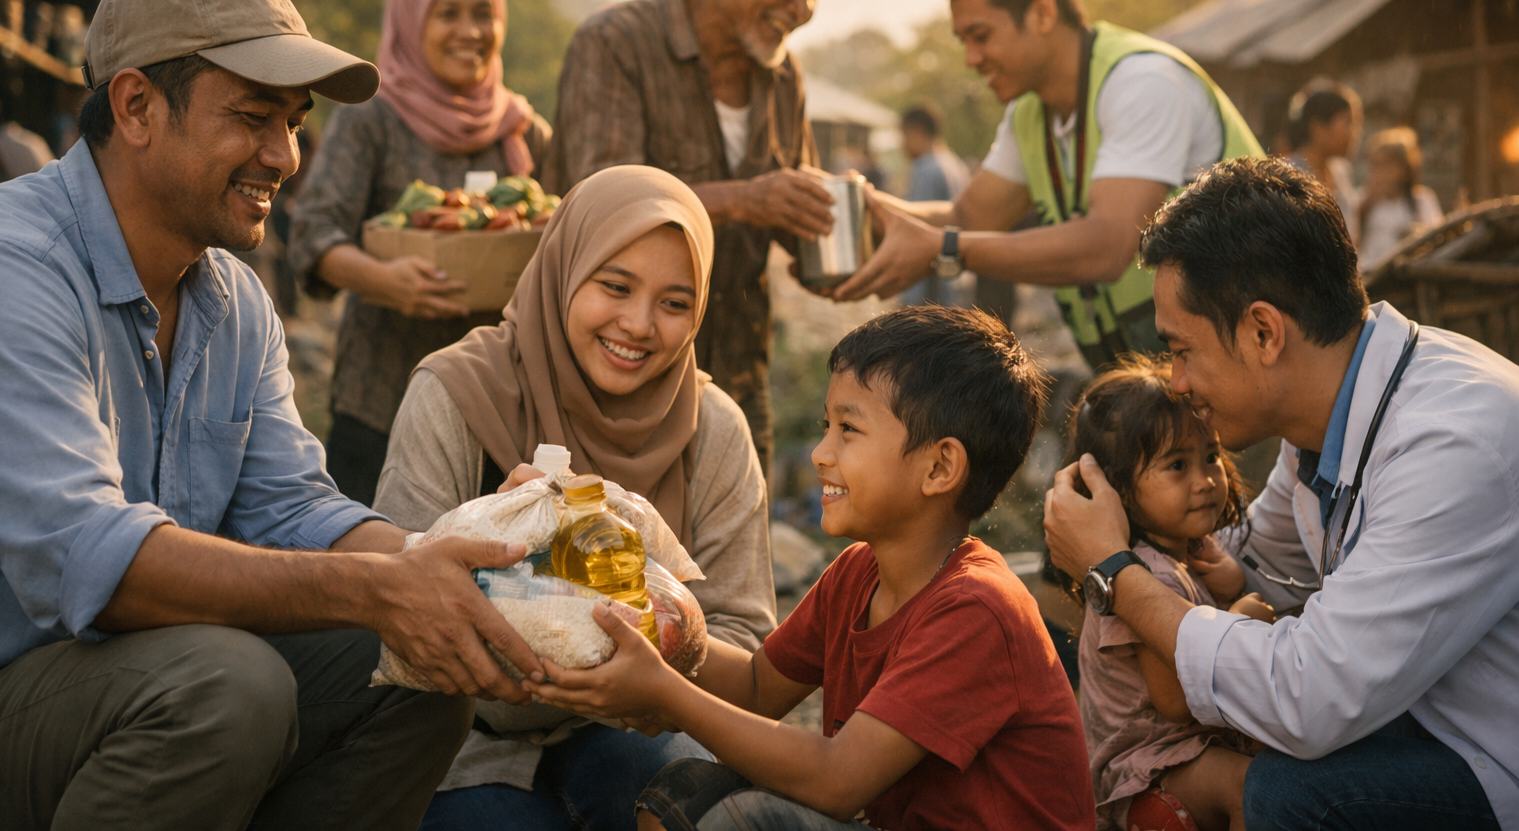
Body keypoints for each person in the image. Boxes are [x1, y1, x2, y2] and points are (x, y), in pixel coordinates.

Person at [0, 0, 551, 830]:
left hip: (145, 679)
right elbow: (86, 556)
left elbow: (294, 509)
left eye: (291, 123)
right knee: (229, 684)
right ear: (135, 107)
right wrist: (373, 591)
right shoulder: (11, 267)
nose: (284, 157)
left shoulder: (232, 299)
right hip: (11, 696)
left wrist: (455, 557)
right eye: (252, 119)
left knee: (416, 665)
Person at [1044, 157, 1519, 831]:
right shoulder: (1327, 419)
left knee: (1285, 792)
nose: (1175, 381)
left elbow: (1308, 700)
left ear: (1263, 332)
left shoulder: (1450, 443)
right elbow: (1258, 558)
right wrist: (1136, 534)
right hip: (1427, 717)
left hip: (1494, 758)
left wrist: (1114, 571)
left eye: (1182, 350)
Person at [525, 306, 1097, 831]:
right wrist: (639, 614)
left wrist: (662, 691)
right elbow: (754, 689)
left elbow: (837, 782)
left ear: (940, 466)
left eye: (848, 430)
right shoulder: (857, 573)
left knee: (740, 823)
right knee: (683, 796)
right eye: (826, 426)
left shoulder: (977, 607)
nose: (821, 452)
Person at [372, 164, 776, 830]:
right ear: (563, 270)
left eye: (675, 303)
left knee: (673, 797)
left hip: (642, 724)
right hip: (466, 737)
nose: (639, 325)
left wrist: (659, 633)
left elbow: (747, 650)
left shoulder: (713, 428)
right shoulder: (456, 393)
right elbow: (399, 610)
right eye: (614, 286)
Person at [829, 0, 1263, 371]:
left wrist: (946, 248)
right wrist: (865, 209)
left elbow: (1108, 245)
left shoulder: (1142, 83)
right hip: (1154, 368)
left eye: (981, 35)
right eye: (964, 41)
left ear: (1041, 12)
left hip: (1244, 355)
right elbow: (969, 218)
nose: (971, 59)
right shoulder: (1029, 113)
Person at [543, 0, 861, 475]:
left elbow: (796, 208)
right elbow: (595, 200)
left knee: (732, 557)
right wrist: (748, 200)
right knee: (606, 555)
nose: (802, 11)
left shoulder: (782, 75)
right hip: (616, 378)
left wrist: (835, 241)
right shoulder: (616, 44)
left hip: (735, 383)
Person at [289, 0, 551, 503]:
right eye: (447, 13)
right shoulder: (373, 120)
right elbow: (312, 234)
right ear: (410, 19)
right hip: (382, 399)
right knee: (375, 564)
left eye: (483, 13)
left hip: (498, 410)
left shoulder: (523, 131)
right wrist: (386, 281)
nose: (469, 31)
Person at [1046, 357, 1270, 831]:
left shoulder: (1186, 558)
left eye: (1211, 456)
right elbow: (1176, 700)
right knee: (1252, 789)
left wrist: (1229, 587)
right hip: (1146, 779)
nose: (1204, 480)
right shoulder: (1146, 574)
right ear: (1119, 491)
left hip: (1182, 758)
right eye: (1176, 465)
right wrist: (1241, 621)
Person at [897, 103, 973, 307]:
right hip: (956, 277)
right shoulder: (954, 163)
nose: (902, 144)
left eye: (903, 136)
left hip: (931, 286)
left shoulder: (926, 168)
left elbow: (917, 229)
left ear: (916, 131)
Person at [1356, 127, 1442, 272]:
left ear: (1404, 169)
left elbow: (1436, 239)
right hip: (1370, 274)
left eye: (1386, 165)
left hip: (1408, 275)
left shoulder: (1421, 200)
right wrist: (1363, 209)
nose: (1380, 172)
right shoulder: (1361, 199)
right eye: (1375, 165)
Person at [1284, 81, 1361, 237]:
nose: (1353, 134)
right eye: (1347, 123)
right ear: (1317, 128)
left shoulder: (1341, 171)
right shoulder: (1286, 173)